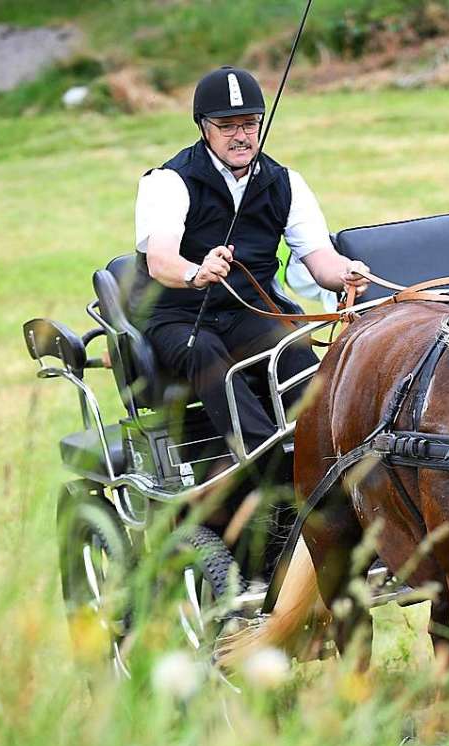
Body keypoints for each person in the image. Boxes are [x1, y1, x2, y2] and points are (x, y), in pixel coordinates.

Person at [132, 65, 367, 458]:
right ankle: (266, 463)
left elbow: (319, 259)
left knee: (292, 348)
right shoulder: (170, 182)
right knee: (204, 352)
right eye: (227, 126)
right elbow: (160, 260)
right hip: (178, 316)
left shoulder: (285, 182)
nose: (240, 136)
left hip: (246, 312)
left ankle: (329, 455)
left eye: (249, 124)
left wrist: (345, 273)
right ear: (203, 127)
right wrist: (196, 273)